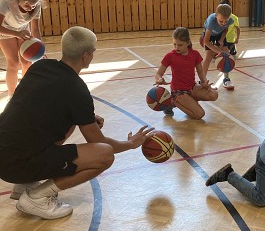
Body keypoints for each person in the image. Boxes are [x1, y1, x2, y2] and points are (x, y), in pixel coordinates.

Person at [0, 26, 153, 220]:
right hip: (16, 165)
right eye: (94, 51)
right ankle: (37, 197)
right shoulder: (77, 90)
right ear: (86, 56)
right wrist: (130, 144)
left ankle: (25, 183)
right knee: (104, 155)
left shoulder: (39, 67)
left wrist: (85, 117)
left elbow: (35, 106)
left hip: (4, 153)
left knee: (69, 122)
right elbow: (100, 143)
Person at [154, 27, 218, 119]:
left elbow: (200, 72)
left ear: (188, 43)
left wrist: (204, 82)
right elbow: (158, 74)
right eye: (174, 44)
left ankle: (189, 100)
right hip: (179, 92)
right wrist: (159, 79)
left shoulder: (195, 54)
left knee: (214, 95)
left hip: (192, 88)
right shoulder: (170, 56)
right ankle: (173, 102)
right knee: (200, 114)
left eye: (180, 45)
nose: (176, 47)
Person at [0, 0, 45, 97]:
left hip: (23, 30)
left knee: (27, 62)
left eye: (33, 5)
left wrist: (40, 48)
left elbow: (35, 28)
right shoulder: (7, 0)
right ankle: (12, 96)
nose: (30, 8)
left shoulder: (37, 5)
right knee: (13, 63)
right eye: (27, 5)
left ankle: (25, 93)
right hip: (5, 31)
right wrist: (17, 34)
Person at [200, 1, 235, 89]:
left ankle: (226, 79)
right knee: (208, 56)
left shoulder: (230, 20)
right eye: (221, 21)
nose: (223, 23)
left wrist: (222, 40)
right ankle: (202, 82)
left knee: (226, 54)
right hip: (209, 35)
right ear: (216, 16)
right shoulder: (211, 21)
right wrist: (219, 51)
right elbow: (206, 41)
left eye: (225, 21)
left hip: (220, 35)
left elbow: (225, 29)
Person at [222, 0, 240, 89]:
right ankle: (226, 78)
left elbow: (238, 28)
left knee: (230, 54)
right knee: (223, 54)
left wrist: (237, 38)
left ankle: (226, 78)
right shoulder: (216, 18)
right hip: (222, 40)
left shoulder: (234, 18)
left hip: (230, 40)